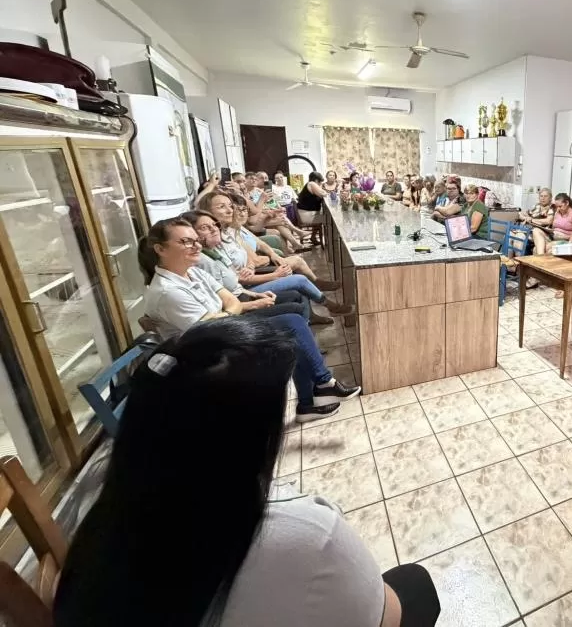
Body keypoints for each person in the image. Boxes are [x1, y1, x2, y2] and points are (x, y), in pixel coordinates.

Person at [52, 317, 441, 627]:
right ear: (251, 431)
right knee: (416, 584)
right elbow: (385, 617)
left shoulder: (95, 500)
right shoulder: (303, 533)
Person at [137, 219, 361, 422]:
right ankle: (322, 385)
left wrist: (228, 309)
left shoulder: (191, 271)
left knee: (295, 325)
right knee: (293, 324)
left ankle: (313, 397)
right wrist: (230, 309)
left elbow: (230, 300)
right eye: (186, 241)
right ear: (160, 249)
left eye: (196, 241)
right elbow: (207, 326)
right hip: (203, 352)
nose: (196, 246)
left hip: (221, 327)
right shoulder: (167, 291)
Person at [184, 211, 335, 325]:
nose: (233, 211)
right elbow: (234, 284)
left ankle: (312, 316)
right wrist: (273, 277)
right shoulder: (202, 259)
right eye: (205, 227)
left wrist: (252, 265)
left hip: (245, 288)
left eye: (214, 225)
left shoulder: (220, 243)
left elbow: (244, 262)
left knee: (297, 289)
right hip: (241, 296)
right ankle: (324, 302)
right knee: (299, 281)